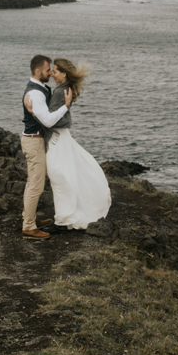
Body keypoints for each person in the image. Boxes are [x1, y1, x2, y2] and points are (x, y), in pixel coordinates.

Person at [43, 57, 111, 230]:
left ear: (64, 74)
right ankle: (66, 215)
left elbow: (50, 120)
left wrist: (33, 112)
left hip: (58, 137)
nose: (51, 73)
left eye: (55, 71)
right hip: (62, 136)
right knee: (64, 174)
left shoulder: (60, 92)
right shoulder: (63, 88)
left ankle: (64, 219)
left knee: (59, 177)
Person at [20, 54, 66, 239]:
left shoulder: (40, 89)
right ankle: (29, 227)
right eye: (48, 70)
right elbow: (47, 121)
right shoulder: (35, 93)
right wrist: (66, 106)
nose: (50, 72)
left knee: (33, 183)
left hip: (34, 140)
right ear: (38, 71)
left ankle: (29, 219)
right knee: (36, 186)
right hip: (34, 141)